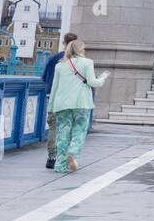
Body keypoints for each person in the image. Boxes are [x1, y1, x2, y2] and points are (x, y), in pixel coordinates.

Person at [46, 38, 107, 173]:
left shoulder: (60, 65)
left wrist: (50, 107)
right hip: (81, 103)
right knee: (79, 130)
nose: (84, 51)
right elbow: (92, 82)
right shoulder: (87, 63)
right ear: (80, 50)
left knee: (62, 133)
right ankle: (72, 153)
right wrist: (102, 78)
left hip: (61, 103)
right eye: (83, 48)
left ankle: (60, 165)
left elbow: (54, 88)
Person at [40, 32, 79, 168]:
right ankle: (65, 157)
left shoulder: (53, 59)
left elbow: (44, 79)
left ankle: (52, 157)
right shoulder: (80, 62)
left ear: (64, 43)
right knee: (70, 128)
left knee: (53, 127)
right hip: (72, 99)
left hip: (54, 97)